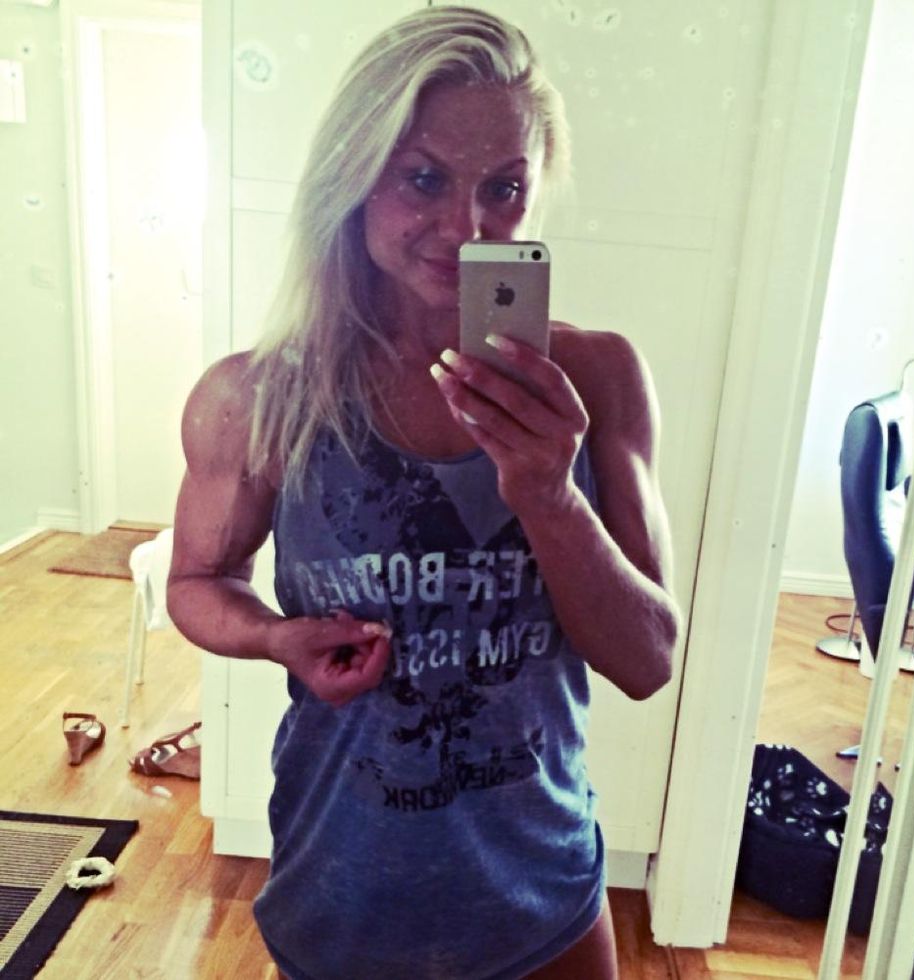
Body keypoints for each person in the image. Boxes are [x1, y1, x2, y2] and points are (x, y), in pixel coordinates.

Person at [167, 6, 680, 978]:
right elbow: (195, 580)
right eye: (423, 178)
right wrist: (275, 637)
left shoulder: (596, 379)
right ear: (354, 175)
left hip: (543, 899)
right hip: (341, 893)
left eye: (503, 187)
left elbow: (647, 658)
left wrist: (549, 493)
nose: (465, 227)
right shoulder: (259, 398)